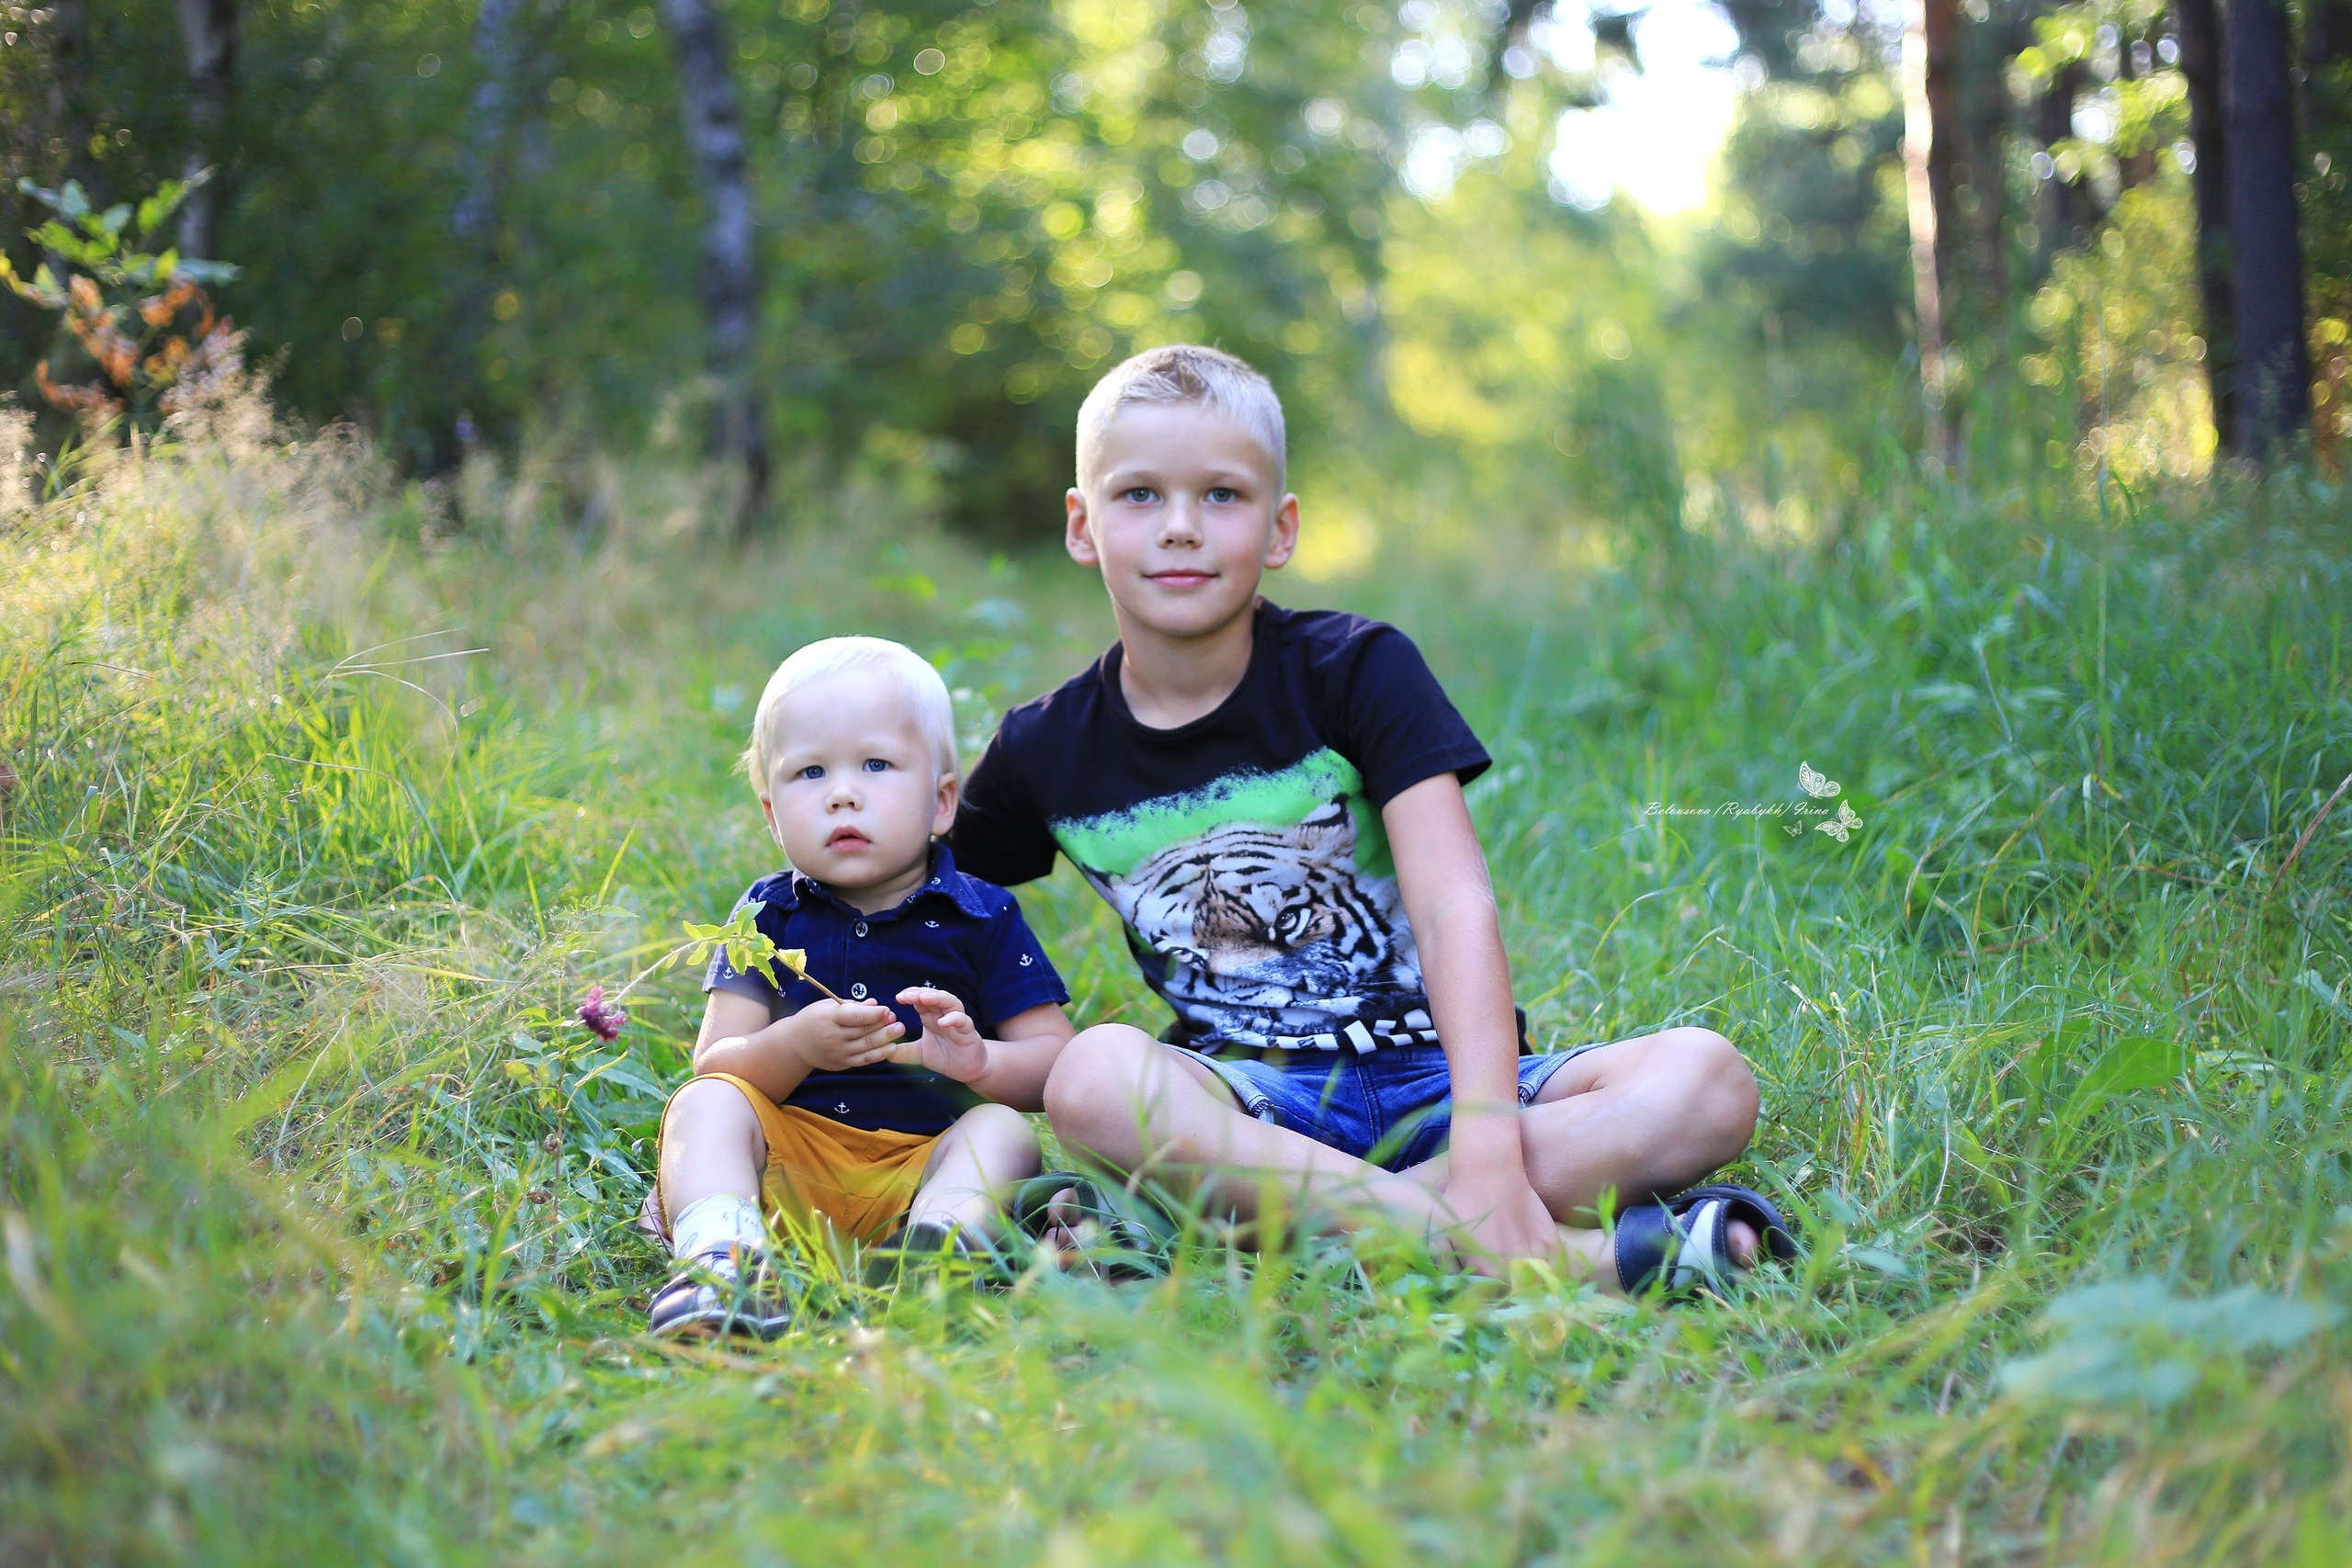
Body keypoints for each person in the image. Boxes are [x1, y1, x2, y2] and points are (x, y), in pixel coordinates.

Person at [949, 345, 1792, 1296]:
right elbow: (927, 905)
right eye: (1139, 495)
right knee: (1094, 1078)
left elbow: (1451, 907)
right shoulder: (1044, 749)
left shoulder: (1354, 669)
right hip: (1248, 1104)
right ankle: (1549, 1258)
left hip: (1440, 1079)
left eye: (1221, 496)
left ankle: (1270, 1233)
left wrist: (1483, 1143)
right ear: (1082, 524)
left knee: (1706, 1081)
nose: (1180, 528)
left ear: (1279, 528)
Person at [647, 637, 1078, 1338]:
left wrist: (980, 1063)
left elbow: (1055, 1062)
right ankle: (722, 1259)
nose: (842, 791)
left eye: (876, 764)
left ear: (941, 803)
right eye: (809, 772)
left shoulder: (981, 913)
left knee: (1000, 1130)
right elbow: (717, 1058)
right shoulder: (766, 915)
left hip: (923, 1168)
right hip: (788, 1170)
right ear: (771, 812)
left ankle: (938, 1252)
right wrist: (795, 1042)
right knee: (706, 1105)